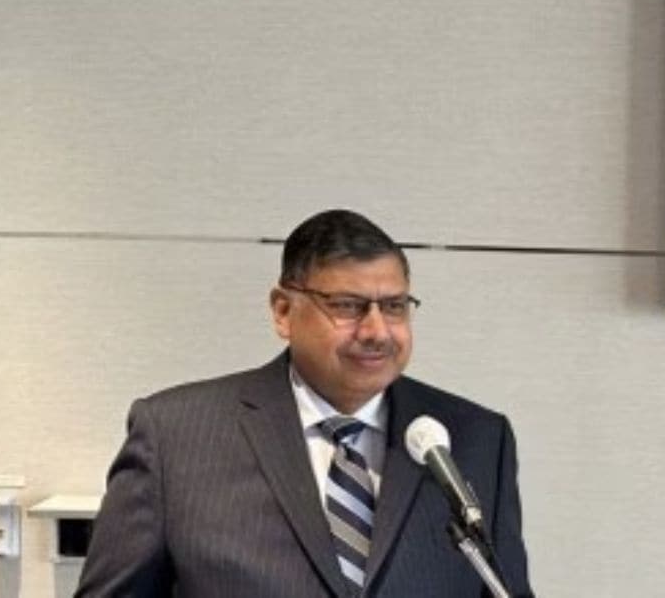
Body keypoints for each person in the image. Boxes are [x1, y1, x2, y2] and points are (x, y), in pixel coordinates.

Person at [75, 209, 533, 597]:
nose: (377, 331)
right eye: (348, 306)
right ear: (283, 311)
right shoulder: (176, 436)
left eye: (394, 306)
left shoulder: (475, 440)